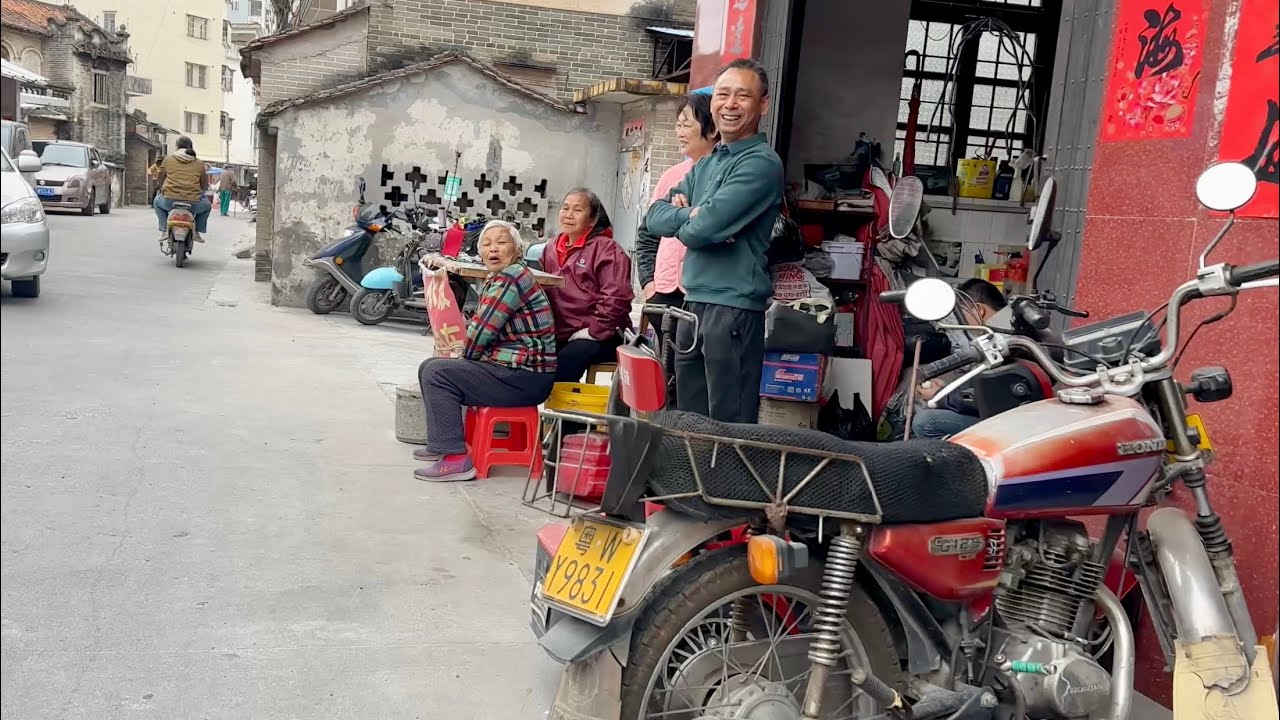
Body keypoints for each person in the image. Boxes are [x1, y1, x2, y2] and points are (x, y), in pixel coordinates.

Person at [643, 58, 785, 424]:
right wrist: (692, 216)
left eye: (743, 96)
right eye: (723, 94)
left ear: (763, 105)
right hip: (692, 304)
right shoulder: (709, 162)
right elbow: (654, 217)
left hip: (733, 308)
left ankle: (730, 468)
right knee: (690, 423)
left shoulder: (761, 163)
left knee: (728, 425)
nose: (730, 104)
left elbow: (702, 230)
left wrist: (693, 218)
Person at [413, 221, 558, 482]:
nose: (493, 249)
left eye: (502, 243)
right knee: (429, 367)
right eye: (487, 244)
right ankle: (441, 444)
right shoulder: (502, 277)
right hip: (517, 372)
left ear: (517, 250)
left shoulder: (511, 278)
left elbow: (482, 332)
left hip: (525, 377)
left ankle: (456, 459)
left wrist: (463, 357)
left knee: (438, 372)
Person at [634, 92, 719, 340]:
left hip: (704, 292)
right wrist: (650, 285)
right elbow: (647, 233)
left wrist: (686, 214)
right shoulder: (671, 176)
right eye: (678, 125)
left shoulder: (725, 175)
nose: (679, 132)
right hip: (665, 291)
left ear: (712, 129)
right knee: (667, 359)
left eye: (687, 125)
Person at [540, 188, 634, 383]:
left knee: (565, 363)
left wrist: (593, 331)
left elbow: (617, 299)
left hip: (603, 334)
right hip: (560, 332)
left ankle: (563, 404)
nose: (568, 215)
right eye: (565, 208)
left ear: (593, 219)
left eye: (577, 210)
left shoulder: (607, 250)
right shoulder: (550, 248)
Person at [911, 278, 1008, 439]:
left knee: (924, 421)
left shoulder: (1001, 340)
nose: (963, 323)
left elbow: (989, 399)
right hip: (1006, 412)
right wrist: (948, 389)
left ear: (979, 310)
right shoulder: (1006, 327)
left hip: (1004, 422)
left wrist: (942, 397)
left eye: (963, 315)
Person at [153, 137, 211, 242]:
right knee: (207, 206)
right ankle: (196, 231)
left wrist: (164, 185)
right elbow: (204, 186)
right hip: (193, 204)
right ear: (191, 147)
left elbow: (160, 179)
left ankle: (164, 230)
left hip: (169, 201)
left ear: (177, 147)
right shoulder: (199, 164)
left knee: (156, 201)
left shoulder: (168, 160)